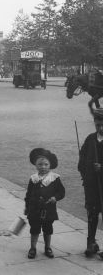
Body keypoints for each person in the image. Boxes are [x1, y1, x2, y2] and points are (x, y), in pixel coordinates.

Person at [25, 148, 65, 259]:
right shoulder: (33, 179)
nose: (43, 167)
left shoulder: (55, 178)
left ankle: (47, 247)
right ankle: (33, 248)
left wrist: (55, 198)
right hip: (34, 209)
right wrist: (27, 207)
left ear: (50, 165)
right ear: (35, 165)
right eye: (40, 164)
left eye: (46, 164)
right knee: (34, 229)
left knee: (48, 228)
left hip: (49, 209)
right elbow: (28, 195)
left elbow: (61, 192)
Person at [78, 108, 103, 256]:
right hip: (92, 185)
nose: (100, 128)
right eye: (97, 125)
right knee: (92, 214)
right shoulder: (90, 139)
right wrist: (86, 172)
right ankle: (91, 243)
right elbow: (82, 160)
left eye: (102, 125)